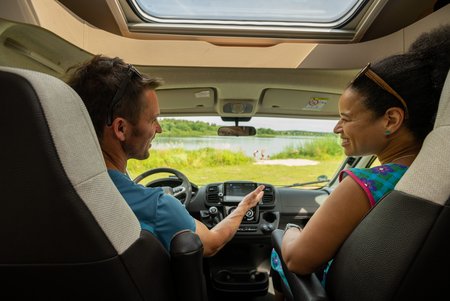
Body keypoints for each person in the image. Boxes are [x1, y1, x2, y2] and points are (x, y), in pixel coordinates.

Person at [271, 25, 450, 298]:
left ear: (391, 120)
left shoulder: (363, 184)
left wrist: (291, 230)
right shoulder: (434, 185)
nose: (336, 128)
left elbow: (297, 259)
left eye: (346, 118)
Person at [66, 55, 265, 256]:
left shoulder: (59, 190)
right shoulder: (157, 207)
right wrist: (243, 207)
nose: (159, 129)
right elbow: (212, 243)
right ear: (121, 128)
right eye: (153, 120)